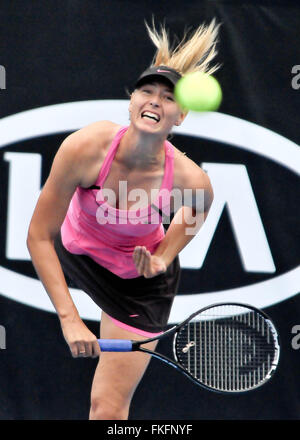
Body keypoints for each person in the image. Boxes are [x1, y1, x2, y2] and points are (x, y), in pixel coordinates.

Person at [27, 19, 220, 420]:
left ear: (180, 117)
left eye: (167, 98)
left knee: (108, 407)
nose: (154, 100)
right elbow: (39, 236)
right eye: (146, 91)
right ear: (131, 102)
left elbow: (198, 210)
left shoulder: (190, 179)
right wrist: (70, 320)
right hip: (77, 251)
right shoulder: (86, 147)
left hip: (139, 285)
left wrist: (164, 256)